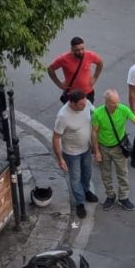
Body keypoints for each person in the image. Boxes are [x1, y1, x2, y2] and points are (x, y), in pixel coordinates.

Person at [91, 89, 135, 212]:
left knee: (123, 173)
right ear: (106, 102)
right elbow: (94, 132)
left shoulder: (123, 109)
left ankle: (124, 198)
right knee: (106, 174)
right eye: (112, 103)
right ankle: (110, 196)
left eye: (117, 102)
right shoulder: (97, 113)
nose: (116, 105)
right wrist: (96, 151)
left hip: (118, 147)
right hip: (104, 147)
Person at [53, 90, 99, 220]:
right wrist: (60, 158)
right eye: (81, 105)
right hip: (72, 153)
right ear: (71, 103)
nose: (84, 106)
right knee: (75, 177)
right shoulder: (63, 116)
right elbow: (56, 138)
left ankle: (86, 190)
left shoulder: (86, 103)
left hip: (86, 148)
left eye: (85, 103)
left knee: (87, 173)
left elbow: (95, 115)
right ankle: (80, 202)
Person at [48, 36, 104, 104]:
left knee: (88, 113)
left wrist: (95, 77)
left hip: (88, 92)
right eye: (77, 50)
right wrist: (59, 84)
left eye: (82, 49)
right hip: (71, 94)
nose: (81, 52)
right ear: (72, 49)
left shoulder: (89, 55)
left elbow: (100, 63)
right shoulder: (63, 59)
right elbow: (50, 69)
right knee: (71, 114)